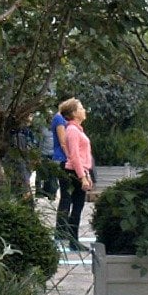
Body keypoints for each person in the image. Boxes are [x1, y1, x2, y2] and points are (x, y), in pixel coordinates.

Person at [60, 98, 93, 251]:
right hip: (73, 172)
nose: (84, 110)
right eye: (81, 108)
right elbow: (74, 156)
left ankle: (74, 240)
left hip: (79, 171)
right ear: (74, 113)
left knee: (78, 207)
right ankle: (73, 241)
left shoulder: (77, 129)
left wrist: (87, 173)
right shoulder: (72, 130)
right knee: (76, 206)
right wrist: (82, 177)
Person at [52, 100, 71, 240]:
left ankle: (62, 229)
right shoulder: (59, 118)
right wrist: (70, 157)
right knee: (65, 196)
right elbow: (63, 141)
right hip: (63, 159)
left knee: (67, 197)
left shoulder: (61, 118)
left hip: (64, 158)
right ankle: (60, 230)